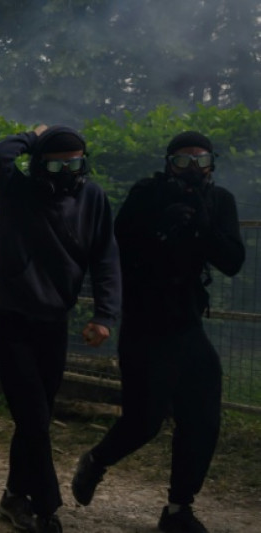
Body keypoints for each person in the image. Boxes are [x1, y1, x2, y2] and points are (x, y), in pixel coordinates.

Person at [71, 131, 244, 533]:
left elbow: (233, 260)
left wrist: (202, 224)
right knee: (144, 421)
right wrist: (158, 229)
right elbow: (115, 254)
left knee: (201, 417)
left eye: (200, 161)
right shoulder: (147, 193)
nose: (192, 169)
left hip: (186, 322)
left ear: (212, 164)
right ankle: (96, 461)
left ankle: (179, 509)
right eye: (183, 161)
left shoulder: (220, 202)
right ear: (168, 163)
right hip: (145, 322)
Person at [0, 125, 121, 533]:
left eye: (75, 161)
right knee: (35, 418)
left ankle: (12, 495)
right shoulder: (16, 190)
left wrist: (104, 315)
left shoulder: (93, 197)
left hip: (54, 323)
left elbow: (106, 258)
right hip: (11, 321)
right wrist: (31, 134)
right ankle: (46, 507)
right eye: (57, 162)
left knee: (34, 420)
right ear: (38, 164)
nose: (67, 170)